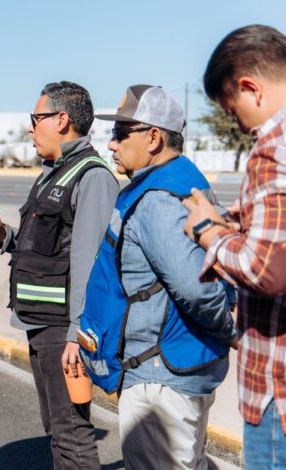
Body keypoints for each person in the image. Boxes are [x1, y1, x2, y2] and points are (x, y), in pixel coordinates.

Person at [84, 85, 235, 469]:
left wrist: (229, 330)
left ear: (153, 137)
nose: (112, 144)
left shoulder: (157, 200)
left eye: (121, 133)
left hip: (159, 377)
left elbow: (195, 289)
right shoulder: (180, 183)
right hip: (170, 368)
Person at [0, 81, 116, 469]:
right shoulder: (54, 173)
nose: (31, 129)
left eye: (36, 119)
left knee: (71, 433)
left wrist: (76, 334)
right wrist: (4, 235)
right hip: (40, 322)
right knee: (57, 427)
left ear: (62, 119)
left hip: (62, 331)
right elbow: (46, 247)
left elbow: (90, 262)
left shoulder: (92, 175)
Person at [183, 25, 286, 468]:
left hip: (276, 392)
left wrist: (208, 231)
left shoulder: (271, 149)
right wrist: (236, 221)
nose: (238, 124)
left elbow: (266, 269)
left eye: (232, 109)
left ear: (250, 88)